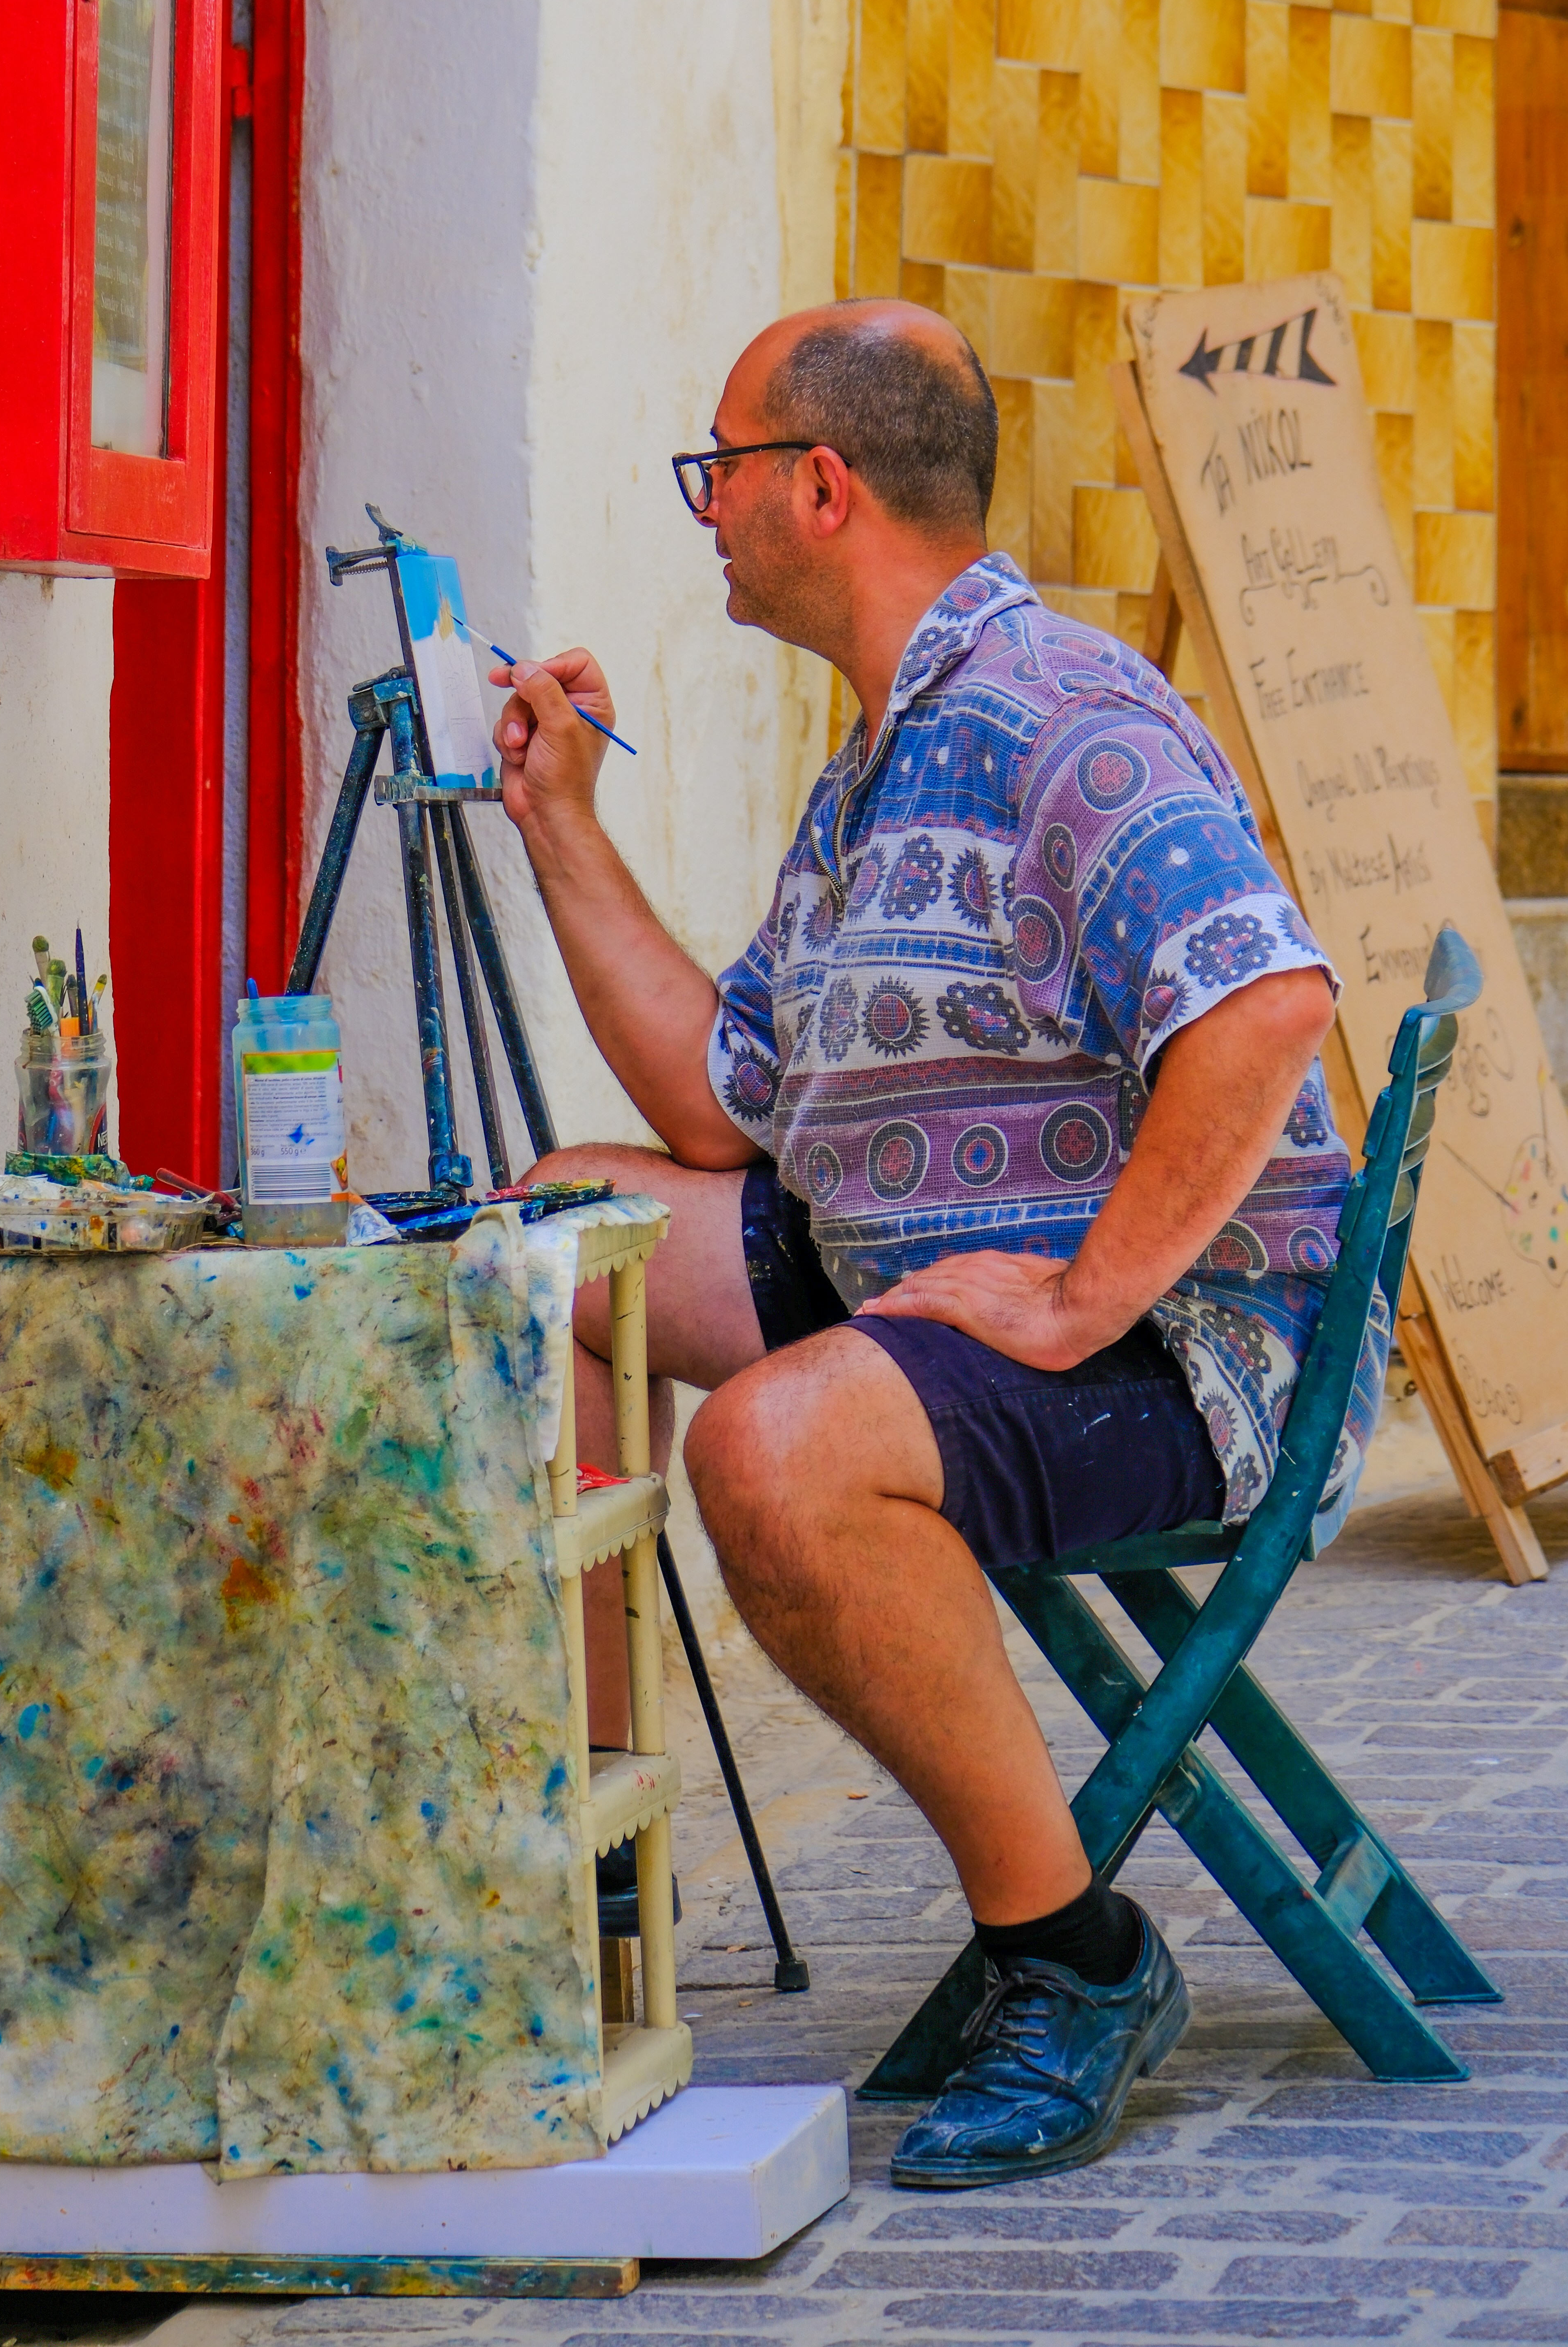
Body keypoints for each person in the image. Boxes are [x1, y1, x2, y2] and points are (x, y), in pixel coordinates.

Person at [491, 301, 1362, 2190]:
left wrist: (1079, 1295)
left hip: (1186, 1353)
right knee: (555, 1240)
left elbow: (1266, 1005)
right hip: (923, 1272)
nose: (702, 508)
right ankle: (589, 1892)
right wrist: (557, 821)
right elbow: (727, 1109)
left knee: (775, 1451)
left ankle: (1075, 1957)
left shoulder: (1058, 714)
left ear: (821, 484)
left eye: (717, 467)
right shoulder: (888, 742)